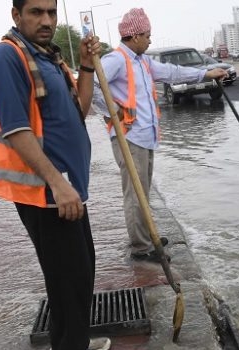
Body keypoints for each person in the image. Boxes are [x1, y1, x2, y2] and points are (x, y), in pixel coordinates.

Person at [0, 0, 111, 350]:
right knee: (65, 276)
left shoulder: (50, 59)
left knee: (81, 267)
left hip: (67, 187)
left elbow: (80, 110)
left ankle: (75, 339)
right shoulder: (7, 58)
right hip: (45, 191)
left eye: (51, 13)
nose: (46, 21)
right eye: (36, 12)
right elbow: (16, 129)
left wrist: (87, 66)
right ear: (16, 15)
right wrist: (56, 182)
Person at [92, 8, 227, 262]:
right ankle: (141, 247)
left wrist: (206, 73)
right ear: (133, 36)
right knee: (135, 194)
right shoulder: (117, 59)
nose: (150, 39)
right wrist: (112, 110)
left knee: (143, 191)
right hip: (129, 137)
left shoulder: (142, 61)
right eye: (147, 35)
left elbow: (173, 72)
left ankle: (147, 237)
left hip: (145, 136)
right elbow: (93, 84)